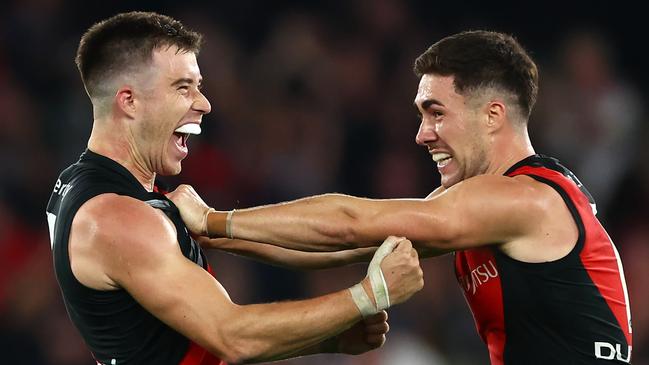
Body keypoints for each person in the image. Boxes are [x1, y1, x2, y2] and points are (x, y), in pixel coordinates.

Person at [169, 30, 633, 364]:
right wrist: (213, 237)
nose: (421, 134)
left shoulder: (525, 201)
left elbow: (350, 220)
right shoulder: (476, 207)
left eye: (435, 113)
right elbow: (339, 248)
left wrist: (213, 218)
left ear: (492, 115)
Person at [45, 11, 424, 365]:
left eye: (199, 87)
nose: (204, 103)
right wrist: (368, 294)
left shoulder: (80, 187)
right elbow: (232, 336)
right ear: (129, 101)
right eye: (183, 87)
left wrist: (327, 338)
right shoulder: (118, 218)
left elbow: (177, 340)